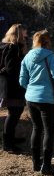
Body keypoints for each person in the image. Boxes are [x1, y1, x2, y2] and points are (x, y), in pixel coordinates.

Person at [19, 30, 54, 175]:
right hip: (46, 99)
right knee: (49, 131)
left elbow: (22, 80)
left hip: (31, 98)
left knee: (36, 128)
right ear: (46, 42)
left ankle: (36, 164)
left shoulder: (27, 56)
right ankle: (46, 166)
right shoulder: (50, 56)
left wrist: (32, 90)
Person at [0, 24, 28, 153]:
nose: (26, 33)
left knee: (15, 112)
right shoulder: (13, 47)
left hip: (10, 84)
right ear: (18, 33)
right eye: (24, 31)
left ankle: (10, 139)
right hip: (13, 86)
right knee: (14, 113)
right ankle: (7, 144)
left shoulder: (6, 46)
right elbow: (11, 68)